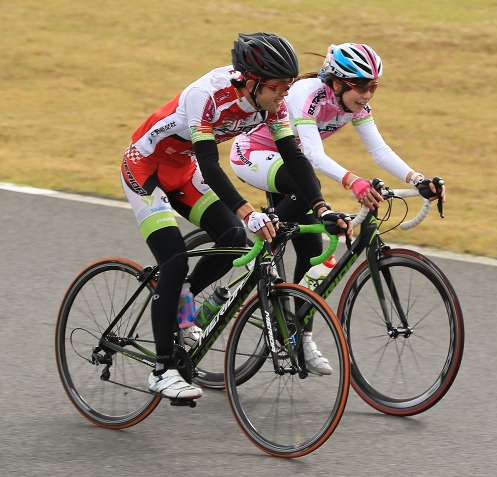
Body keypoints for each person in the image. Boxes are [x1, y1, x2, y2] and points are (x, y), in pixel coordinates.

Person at [121, 33, 352, 400]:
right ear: (251, 81)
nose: (284, 95)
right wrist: (248, 211)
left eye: (289, 86)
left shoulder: (271, 103)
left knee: (233, 239)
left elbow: (295, 157)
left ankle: (183, 307)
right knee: (175, 260)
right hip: (146, 169)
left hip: (182, 168)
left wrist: (323, 207)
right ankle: (161, 369)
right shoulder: (207, 95)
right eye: (278, 87)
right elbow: (211, 166)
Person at [229, 42, 445, 374]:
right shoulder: (306, 94)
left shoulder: (356, 104)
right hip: (254, 155)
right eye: (361, 85)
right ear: (338, 81)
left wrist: (417, 179)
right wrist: (353, 182)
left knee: (315, 253)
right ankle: (259, 255)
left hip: (292, 166)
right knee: (309, 194)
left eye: (374, 86)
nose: (368, 93)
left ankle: (302, 333)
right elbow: (312, 156)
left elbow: (380, 150)